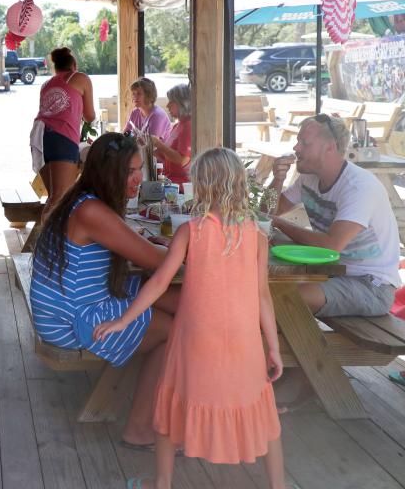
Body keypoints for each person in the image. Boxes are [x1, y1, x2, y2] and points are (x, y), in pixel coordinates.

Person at [94, 148, 285, 489]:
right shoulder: (256, 235)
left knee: (170, 412)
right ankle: (278, 486)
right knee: (262, 411)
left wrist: (124, 319)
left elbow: (158, 282)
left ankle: (163, 483)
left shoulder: (191, 232)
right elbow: (262, 298)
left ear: (203, 186)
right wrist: (273, 347)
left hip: (195, 341)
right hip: (245, 342)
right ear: (238, 183)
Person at [30, 132, 174, 450]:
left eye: (140, 170)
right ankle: (140, 428)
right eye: (130, 172)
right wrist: (185, 243)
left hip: (80, 304)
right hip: (71, 321)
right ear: (109, 173)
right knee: (178, 330)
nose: (138, 179)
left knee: (182, 300)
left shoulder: (84, 199)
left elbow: (143, 251)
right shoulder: (92, 211)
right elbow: (159, 262)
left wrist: (158, 246)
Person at [269, 114, 401, 317]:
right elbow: (267, 213)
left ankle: (299, 348)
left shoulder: (359, 187)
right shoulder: (308, 178)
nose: (296, 148)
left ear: (330, 147)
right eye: (297, 141)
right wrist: (277, 180)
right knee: (265, 288)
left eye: (304, 142)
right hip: (330, 273)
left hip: (371, 286)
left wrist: (279, 223)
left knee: (283, 297)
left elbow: (331, 246)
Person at [30, 47, 96, 217]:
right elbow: (90, 116)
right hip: (61, 136)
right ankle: (42, 241)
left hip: (40, 135)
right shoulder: (80, 77)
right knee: (59, 198)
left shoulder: (47, 84)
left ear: (56, 66)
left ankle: (52, 239)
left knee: (55, 197)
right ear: (74, 65)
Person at [150, 83, 192, 185]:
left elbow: (182, 160)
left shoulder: (188, 126)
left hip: (181, 185)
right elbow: (165, 155)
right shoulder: (177, 126)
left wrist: (158, 144)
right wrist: (146, 146)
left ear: (182, 103)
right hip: (169, 180)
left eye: (171, 102)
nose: (167, 106)